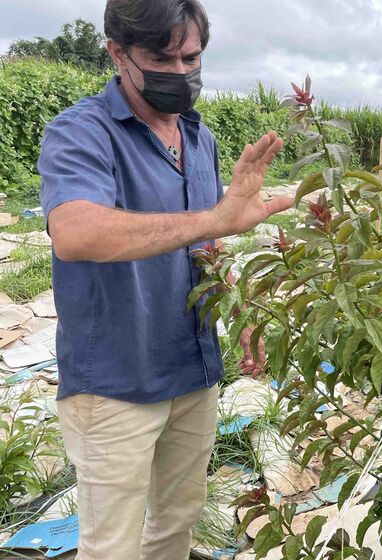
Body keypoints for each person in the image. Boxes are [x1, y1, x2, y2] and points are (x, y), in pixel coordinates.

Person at [36, 0, 292, 558]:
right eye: (160, 57)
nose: (180, 73)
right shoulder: (81, 132)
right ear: (118, 53)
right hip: (116, 383)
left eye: (191, 57)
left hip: (193, 370)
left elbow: (205, 247)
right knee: (112, 546)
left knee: (177, 523)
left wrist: (239, 313)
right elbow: (77, 232)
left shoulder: (200, 139)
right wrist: (216, 217)